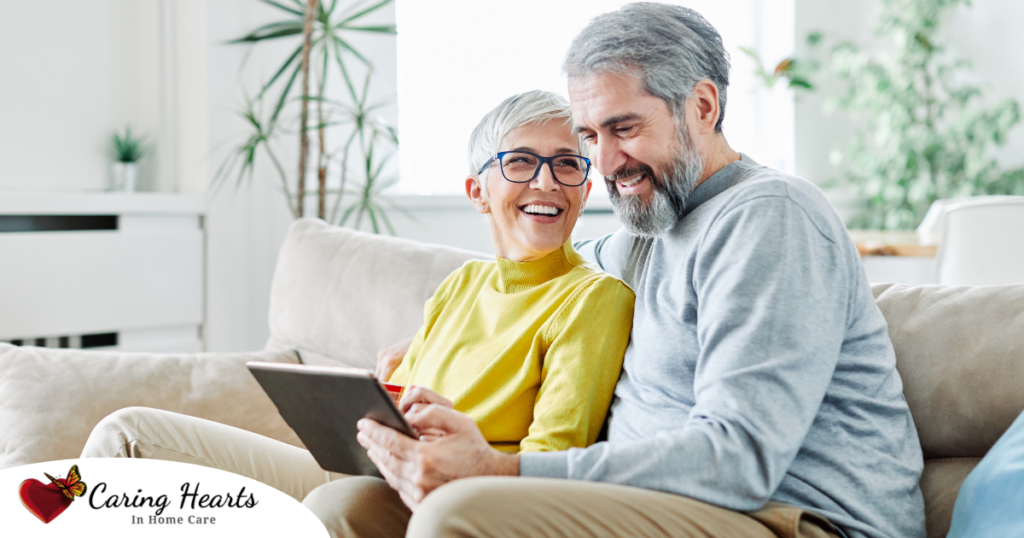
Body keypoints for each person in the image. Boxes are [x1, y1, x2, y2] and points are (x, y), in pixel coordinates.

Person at [356, 4, 926, 538]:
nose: (602, 163)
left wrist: (502, 470)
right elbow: (537, 278)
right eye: (590, 136)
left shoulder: (769, 218)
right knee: (351, 507)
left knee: (458, 513)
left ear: (703, 108)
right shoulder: (649, 230)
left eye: (624, 128)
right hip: (671, 507)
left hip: (793, 518)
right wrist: (431, 339)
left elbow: (738, 459)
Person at [79, 90, 635, 535]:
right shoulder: (463, 282)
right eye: (520, 162)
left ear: (586, 188)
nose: (546, 182)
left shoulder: (594, 298)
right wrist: (388, 388)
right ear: (478, 191)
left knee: (339, 501)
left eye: (567, 165)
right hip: (370, 464)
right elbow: (412, 394)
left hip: (450, 494)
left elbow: (553, 461)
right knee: (127, 433)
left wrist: (464, 447)